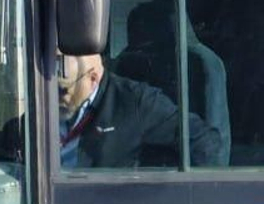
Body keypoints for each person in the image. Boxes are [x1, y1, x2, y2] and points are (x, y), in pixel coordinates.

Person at [57, 54, 222, 169]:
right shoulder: (47, 102)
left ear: (92, 78)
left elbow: (204, 140)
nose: (55, 98)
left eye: (62, 90)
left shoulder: (135, 102)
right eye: (50, 91)